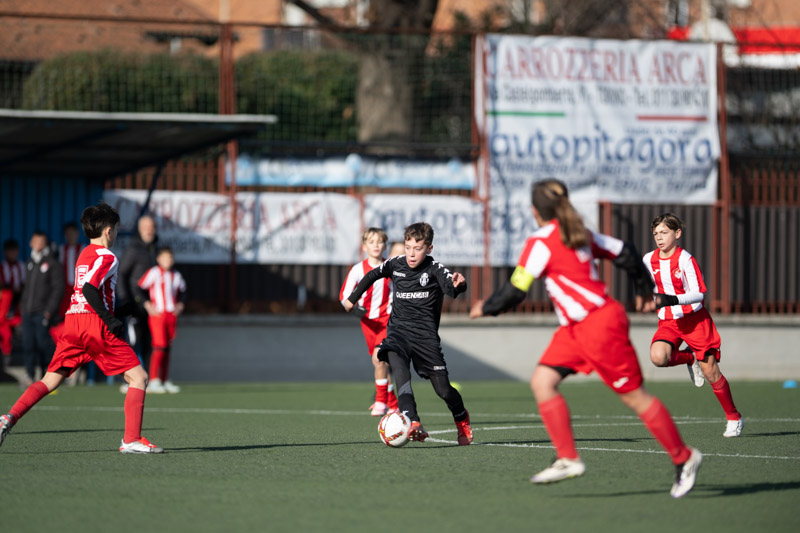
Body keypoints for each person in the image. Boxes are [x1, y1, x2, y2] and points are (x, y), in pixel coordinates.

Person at [469, 179, 701, 498]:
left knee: (635, 397)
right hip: (574, 330)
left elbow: (515, 290)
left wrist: (486, 308)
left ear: (535, 211)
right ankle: (567, 458)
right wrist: (643, 288)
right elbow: (626, 252)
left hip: (599, 326)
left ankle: (684, 457)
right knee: (542, 382)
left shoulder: (542, 241)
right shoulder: (581, 233)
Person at [0, 202, 163, 454]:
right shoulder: (107, 256)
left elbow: (87, 293)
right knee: (138, 377)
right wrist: (109, 320)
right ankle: (131, 439)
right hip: (92, 324)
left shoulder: (84, 254)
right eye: (116, 229)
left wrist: (120, 311)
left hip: (73, 323)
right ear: (108, 231)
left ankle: (8, 418)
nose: (115, 234)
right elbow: (89, 289)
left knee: (49, 380)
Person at [343, 222, 473, 445]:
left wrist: (460, 285)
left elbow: (452, 288)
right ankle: (412, 421)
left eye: (418, 248)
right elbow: (372, 275)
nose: (411, 254)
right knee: (401, 374)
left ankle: (461, 418)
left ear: (429, 248)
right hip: (398, 334)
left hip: (425, 339)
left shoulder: (435, 269)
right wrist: (351, 299)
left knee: (443, 390)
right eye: (408, 247)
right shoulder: (395, 264)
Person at [645, 212, 743, 438]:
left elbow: (699, 294)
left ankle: (734, 417)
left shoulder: (685, 260)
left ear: (677, 233)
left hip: (695, 321)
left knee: (711, 372)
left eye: (664, 232)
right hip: (669, 321)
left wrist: (672, 299)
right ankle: (690, 358)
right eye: (656, 233)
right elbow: (645, 285)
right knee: (658, 357)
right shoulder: (648, 259)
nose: (659, 237)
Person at [339, 228, 399, 416]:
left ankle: (380, 401)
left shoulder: (390, 267)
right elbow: (344, 297)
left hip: (387, 320)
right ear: (364, 246)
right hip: (368, 323)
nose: (376, 245)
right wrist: (355, 309)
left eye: (379, 242)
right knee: (380, 364)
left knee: (378, 358)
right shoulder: (358, 269)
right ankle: (393, 404)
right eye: (371, 242)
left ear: (385, 246)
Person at [137, 246, 186, 394]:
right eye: (165, 258)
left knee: (167, 347)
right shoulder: (153, 272)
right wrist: (147, 305)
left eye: (170, 258)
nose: (168, 261)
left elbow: (183, 292)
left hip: (171, 315)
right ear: (158, 259)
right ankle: (154, 380)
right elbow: (140, 288)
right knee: (159, 346)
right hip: (158, 315)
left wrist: (180, 305)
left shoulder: (176, 275)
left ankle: (164, 380)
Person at [117, 214, 158, 388]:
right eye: (145, 227)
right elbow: (121, 275)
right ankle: (128, 380)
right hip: (135, 305)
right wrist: (126, 300)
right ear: (140, 229)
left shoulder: (156, 249)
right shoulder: (133, 249)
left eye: (151, 227)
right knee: (133, 342)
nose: (149, 230)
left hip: (154, 307)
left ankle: (150, 380)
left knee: (151, 343)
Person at [20, 231, 64, 385]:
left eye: (41, 241)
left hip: (42, 313)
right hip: (28, 312)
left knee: (44, 345)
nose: (38, 244)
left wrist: (49, 311)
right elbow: (25, 288)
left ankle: (48, 377)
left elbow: (58, 289)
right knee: (28, 344)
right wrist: (23, 307)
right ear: (31, 243)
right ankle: (29, 375)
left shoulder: (52, 263)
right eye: (35, 241)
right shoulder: (29, 263)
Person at [0, 239, 24, 360]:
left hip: (18, 304)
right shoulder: (2, 267)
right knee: (7, 294)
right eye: (9, 251)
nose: (12, 254)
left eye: (14, 251)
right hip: (4, 305)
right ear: (5, 252)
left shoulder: (21, 266)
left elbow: (24, 285)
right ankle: (6, 354)